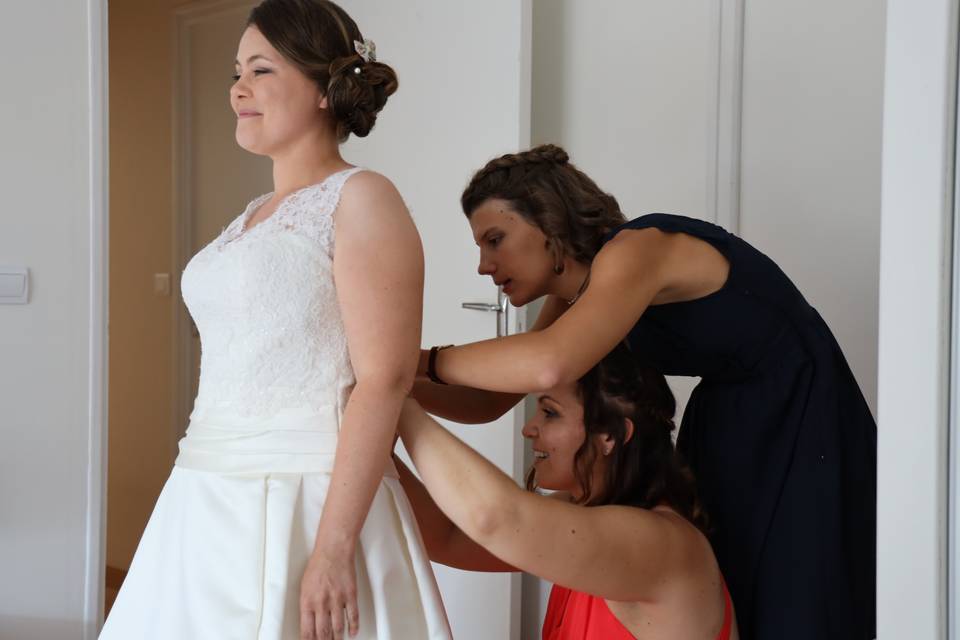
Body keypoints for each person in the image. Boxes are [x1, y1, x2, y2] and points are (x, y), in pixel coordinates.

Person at [415, 144, 876, 639]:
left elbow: (550, 364)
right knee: (737, 579)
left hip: (798, 410)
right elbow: (488, 401)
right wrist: (386, 386)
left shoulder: (637, 250)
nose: (485, 265)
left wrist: (415, 360)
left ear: (548, 219)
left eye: (495, 238)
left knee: (797, 595)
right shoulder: (576, 297)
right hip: (728, 417)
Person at [100, 2, 450, 638]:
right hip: (202, 488)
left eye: (260, 70)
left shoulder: (363, 197)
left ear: (324, 89)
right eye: (236, 72)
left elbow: (385, 378)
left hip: (306, 492)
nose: (238, 89)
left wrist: (333, 547)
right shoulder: (257, 211)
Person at [397, 344, 737, 639]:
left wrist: (393, 393)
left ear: (609, 436)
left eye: (550, 413)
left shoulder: (660, 544)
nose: (530, 428)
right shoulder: (583, 512)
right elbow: (448, 537)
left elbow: (495, 517)